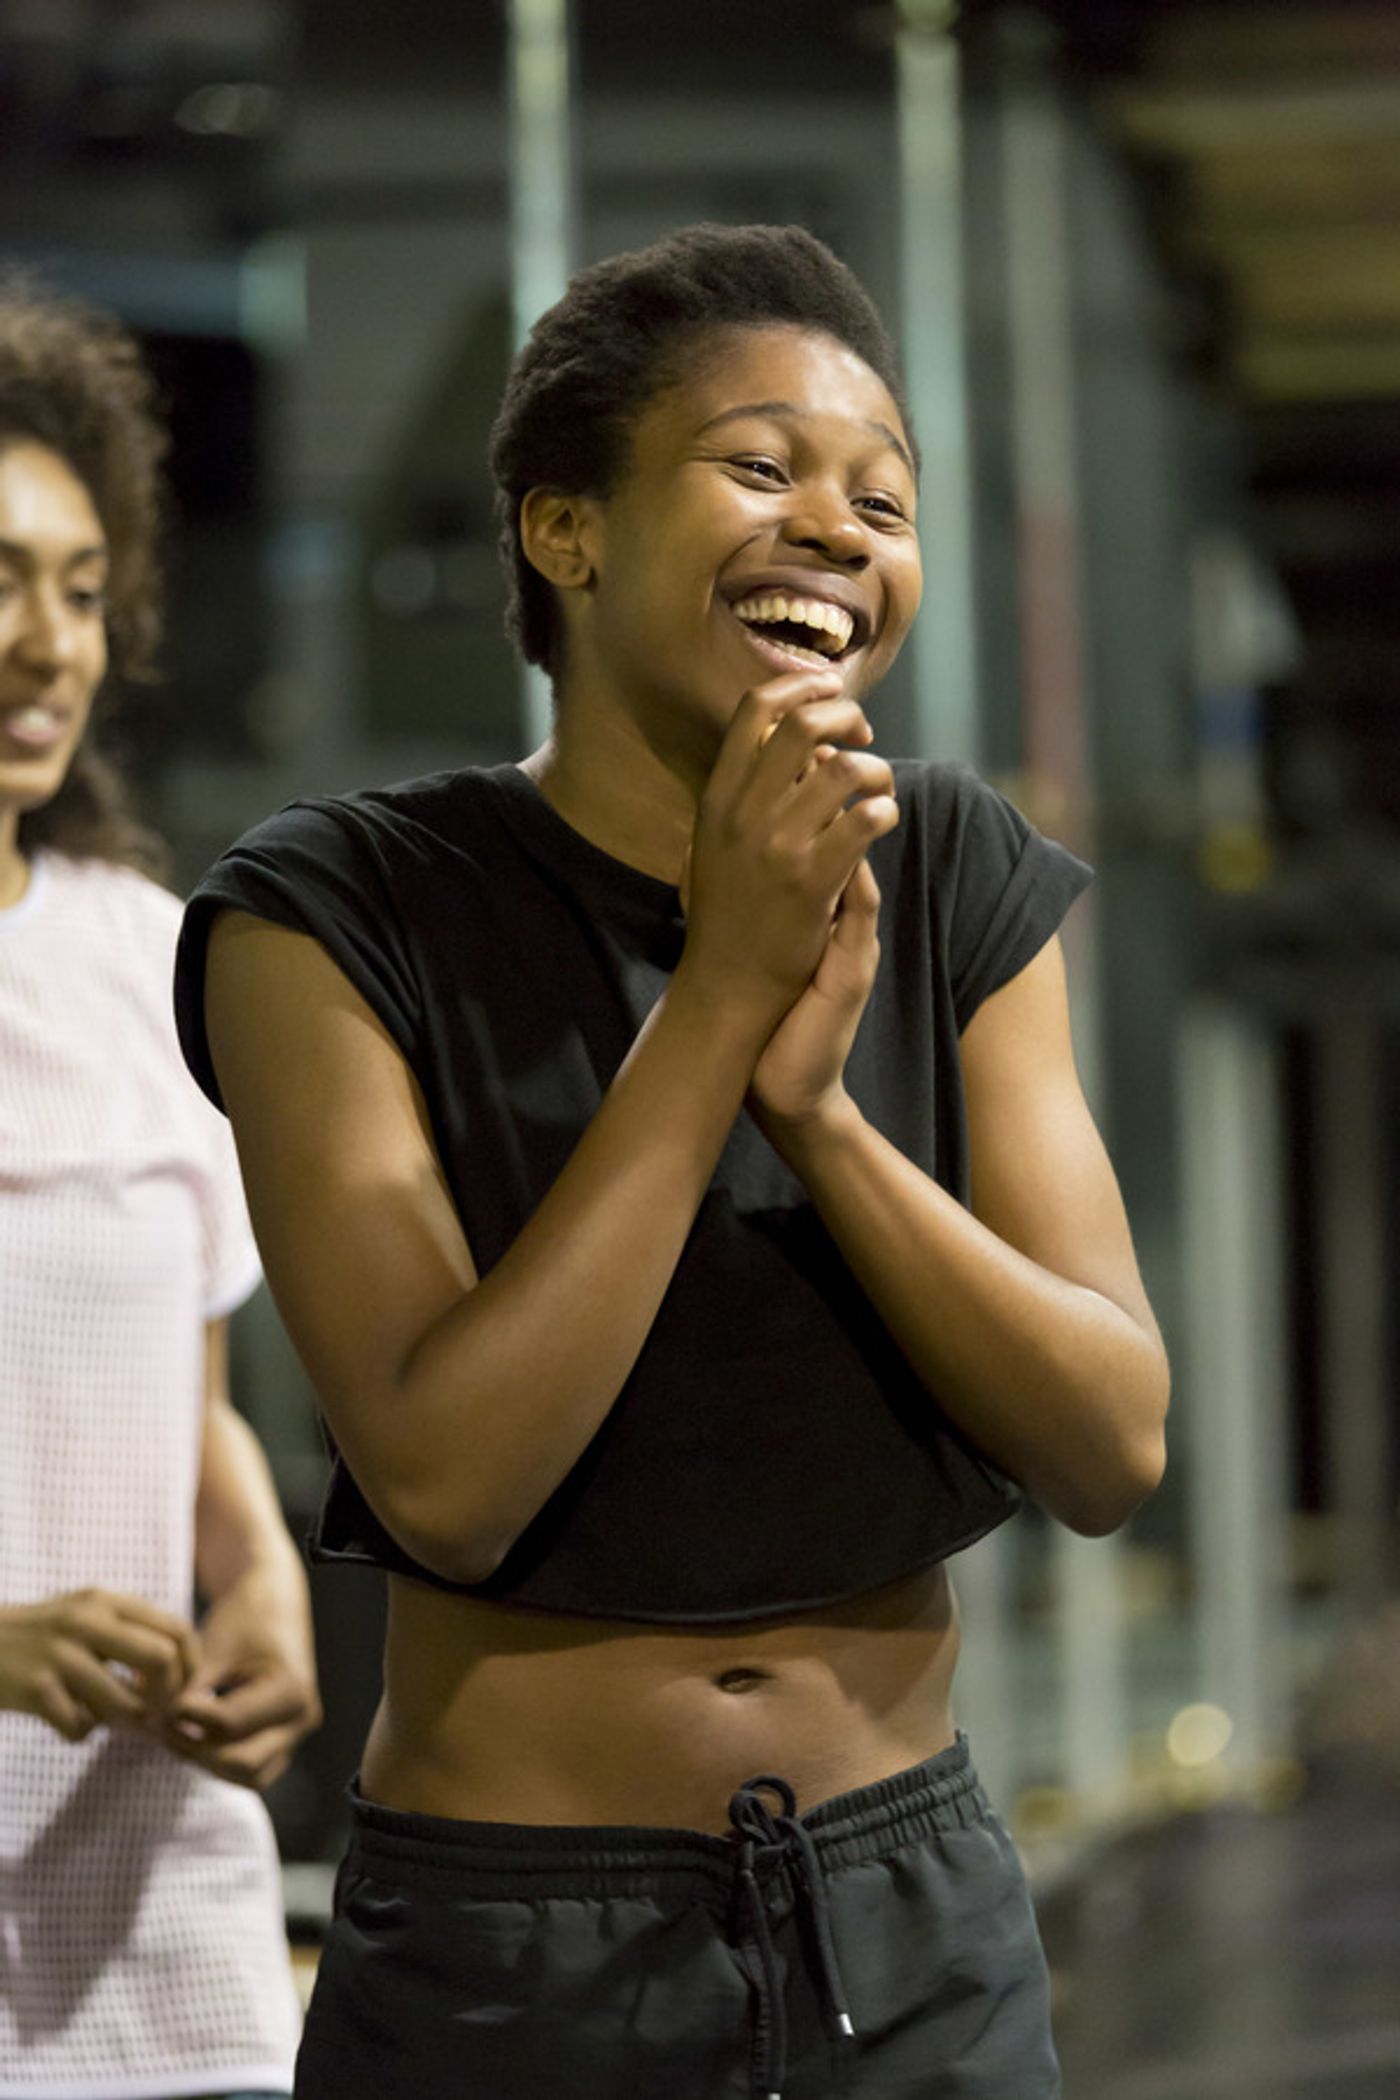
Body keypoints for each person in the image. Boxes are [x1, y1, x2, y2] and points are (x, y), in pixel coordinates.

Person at [175, 223, 1170, 2099]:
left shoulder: (952, 870)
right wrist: (718, 1003)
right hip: (514, 1953)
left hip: (917, 1933)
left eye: (883, 496)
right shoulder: (333, 910)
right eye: (760, 466)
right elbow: (452, 1481)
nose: (837, 527)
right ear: (567, 531)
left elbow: (1112, 1440)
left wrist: (820, 1114)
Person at [0, 279, 319, 2100]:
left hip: (155, 1936)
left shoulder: (148, 960)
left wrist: (259, 1585)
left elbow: (182, 1407)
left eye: (76, 585)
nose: (48, 644)